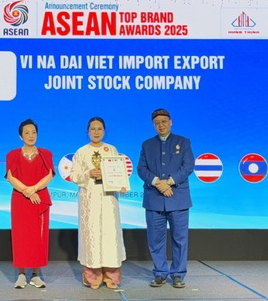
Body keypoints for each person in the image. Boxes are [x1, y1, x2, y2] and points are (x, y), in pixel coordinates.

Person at [137, 108, 194, 289]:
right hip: (154, 199)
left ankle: (178, 274)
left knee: (180, 239)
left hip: (178, 198)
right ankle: (160, 273)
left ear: (171, 122)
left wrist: (169, 182)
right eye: (157, 123)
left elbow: (188, 166)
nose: (160, 125)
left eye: (163, 122)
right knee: (155, 239)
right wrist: (157, 182)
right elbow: (141, 169)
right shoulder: (147, 145)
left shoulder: (183, 142)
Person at [70, 117, 126, 290]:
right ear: (87, 131)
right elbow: (74, 175)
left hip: (108, 199)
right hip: (90, 199)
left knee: (110, 235)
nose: (96, 132)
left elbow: (118, 171)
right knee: (91, 236)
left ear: (104, 131)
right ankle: (92, 277)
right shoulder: (81, 152)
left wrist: (121, 183)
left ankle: (111, 277)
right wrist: (89, 173)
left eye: (99, 129)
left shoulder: (111, 149)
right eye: (93, 129)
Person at [5, 118, 55, 289]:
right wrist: (26, 191)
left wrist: (34, 189)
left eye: (33, 132)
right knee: (21, 236)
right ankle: (21, 274)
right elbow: (11, 177)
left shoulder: (46, 154)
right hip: (20, 199)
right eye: (26, 133)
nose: (30, 135)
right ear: (21, 136)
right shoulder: (12, 155)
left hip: (39, 199)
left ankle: (35, 274)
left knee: (38, 237)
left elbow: (49, 175)